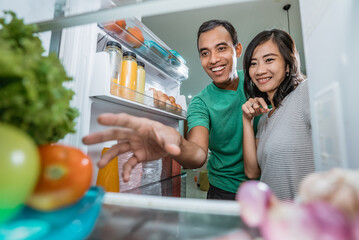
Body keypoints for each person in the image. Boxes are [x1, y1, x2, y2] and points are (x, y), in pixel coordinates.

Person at [83, 20, 257, 200]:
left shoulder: (257, 80)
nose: (213, 59)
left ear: (237, 50)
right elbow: (198, 154)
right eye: (205, 53)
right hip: (223, 191)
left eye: (221, 48)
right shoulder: (201, 102)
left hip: (269, 183)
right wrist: (178, 145)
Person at [241, 29, 315, 201]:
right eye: (253, 63)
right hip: (276, 219)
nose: (259, 70)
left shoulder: (306, 92)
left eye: (269, 60)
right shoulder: (265, 118)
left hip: (307, 220)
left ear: (288, 64)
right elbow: (252, 172)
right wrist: (247, 121)